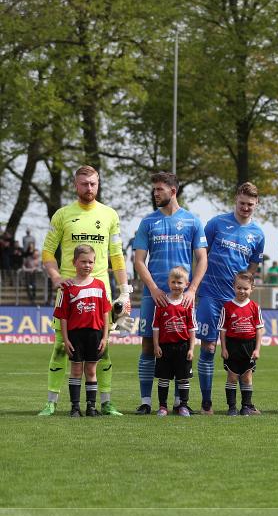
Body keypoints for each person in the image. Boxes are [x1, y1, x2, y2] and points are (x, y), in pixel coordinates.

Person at [39, 165, 131, 416]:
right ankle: (51, 402)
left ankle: (105, 402)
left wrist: (124, 292)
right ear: (75, 185)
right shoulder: (62, 215)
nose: (88, 188)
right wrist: (56, 276)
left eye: (93, 184)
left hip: (101, 293)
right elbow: (47, 251)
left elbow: (116, 255)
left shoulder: (110, 215)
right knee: (60, 347)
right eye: (84, 184)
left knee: (103, 350)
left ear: (98, 184)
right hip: (69, 292)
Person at [133, 172, 208, 415]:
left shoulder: (193, 221)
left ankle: (179, 403)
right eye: (154, 189)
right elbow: (138, 261)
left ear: (173, 191)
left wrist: (193, 289)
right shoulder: (147, 222)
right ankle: (146, 401)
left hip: (182, 297)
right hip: (153, 296)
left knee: (182, 346)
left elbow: (202, 259)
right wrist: (153, 289)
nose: (155, 193)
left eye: (159, 189)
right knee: (147, 346)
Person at [195, 182, 266, 414]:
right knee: (208, 347)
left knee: (240, 352)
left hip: (235, 302)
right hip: (210, 295)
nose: (246, 208)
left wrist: (244, 285)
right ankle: (206, 403)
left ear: (257, 204)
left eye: (250, 205)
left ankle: (244, 404)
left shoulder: (258, 234)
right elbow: (200, 252)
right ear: (236, 199)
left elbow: (254, 264)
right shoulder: (216, 224)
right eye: (242, 203)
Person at [54, 245, 111, 417]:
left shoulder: (100, 285)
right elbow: (63, 317)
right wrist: (66, 339)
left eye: (90, 262)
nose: (87, 265)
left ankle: (91, 407)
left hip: (95, 334)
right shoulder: (67, 287)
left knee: (91, 371)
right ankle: (75, 407)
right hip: (75, 336)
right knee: (76, 371)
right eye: (83, 261)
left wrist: (105, 337)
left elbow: (105, 313)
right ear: (74, 262)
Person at [151, 266, 197, 417]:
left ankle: (183, 405)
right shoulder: (162, 302)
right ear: (168, 283)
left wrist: (191, 348)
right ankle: (163, 406)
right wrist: (156, 345)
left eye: (180, 282)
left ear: (186, 284)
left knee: (183, 378)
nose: (176, 286)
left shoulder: (188, 304)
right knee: (164, 378)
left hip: (182, 347)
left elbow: (192, 328)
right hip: (165, 347)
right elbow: (156, 326)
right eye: (173, 282)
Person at [218, 271, 264, 415]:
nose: (242, 291)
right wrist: (224, 348)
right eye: (239, 288)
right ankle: (232, 407)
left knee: (247, 376)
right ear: (234, 287)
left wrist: (257, 349)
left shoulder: (255, 307)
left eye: (245, 288)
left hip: (249, 346)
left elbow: (259, 329)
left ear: (252, 288)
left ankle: (246, 407)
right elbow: (223, 330)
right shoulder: (227, 307)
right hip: (232, 345)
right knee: (232, 376)